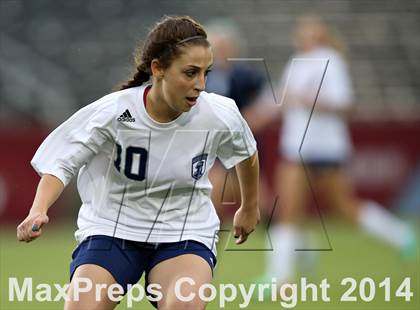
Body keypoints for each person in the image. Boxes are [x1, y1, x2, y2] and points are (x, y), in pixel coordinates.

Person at [16, 16, 260, 310]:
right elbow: (62, 162)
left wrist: (249, 206)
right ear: (158, 68)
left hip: (183, 231)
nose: (200, 84)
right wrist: (38, 210)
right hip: (112, 229)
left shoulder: (218, 112)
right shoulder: (114, 111)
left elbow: (246, 152)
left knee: (183, 305)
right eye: (190, 73)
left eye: (206, 73)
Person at [258, 15, 416, 284]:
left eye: (311, 31)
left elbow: (342, 104)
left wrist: (306, 100)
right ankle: (278, 278)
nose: (305, 36)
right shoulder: (296, 63)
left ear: (321, 35)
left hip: (327, 148)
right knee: (288, 211)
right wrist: (257, 115)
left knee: (344, 208)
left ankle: (401, 236)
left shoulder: (332, 61)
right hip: (297, 147)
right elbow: (282, 99)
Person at [203, 19, 268, 214]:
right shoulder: (203, 75)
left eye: (223, 47)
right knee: (214, 195)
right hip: (213, 144)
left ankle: (281, 238)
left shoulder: (245, 75)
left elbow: (268, 101)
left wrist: (255, 116)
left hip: (239, 141)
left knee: (258, 199)